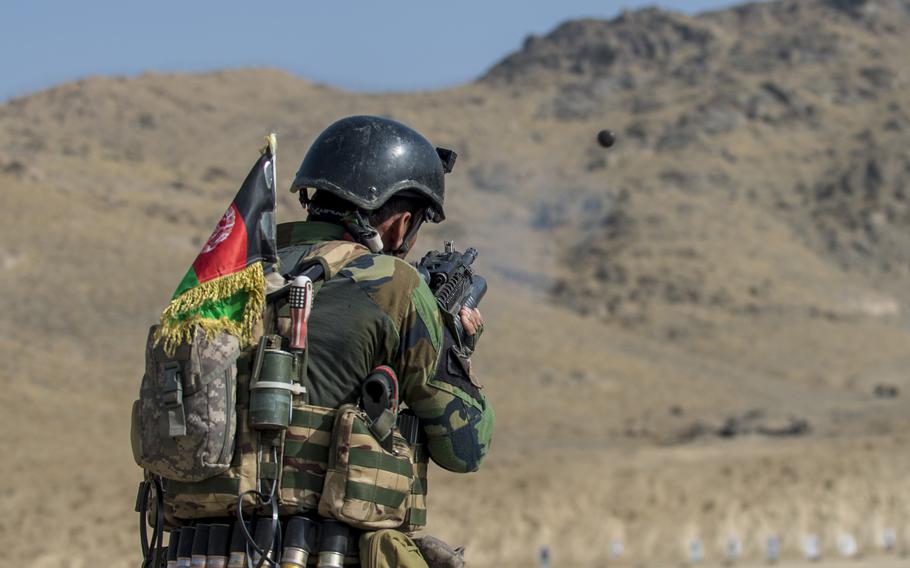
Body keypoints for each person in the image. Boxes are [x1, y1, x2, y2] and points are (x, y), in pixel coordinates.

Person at [281, 115, 495, 565]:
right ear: (399, 224)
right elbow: (466, 447)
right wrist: (455, 345)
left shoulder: (231, 273)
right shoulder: (394, 284)